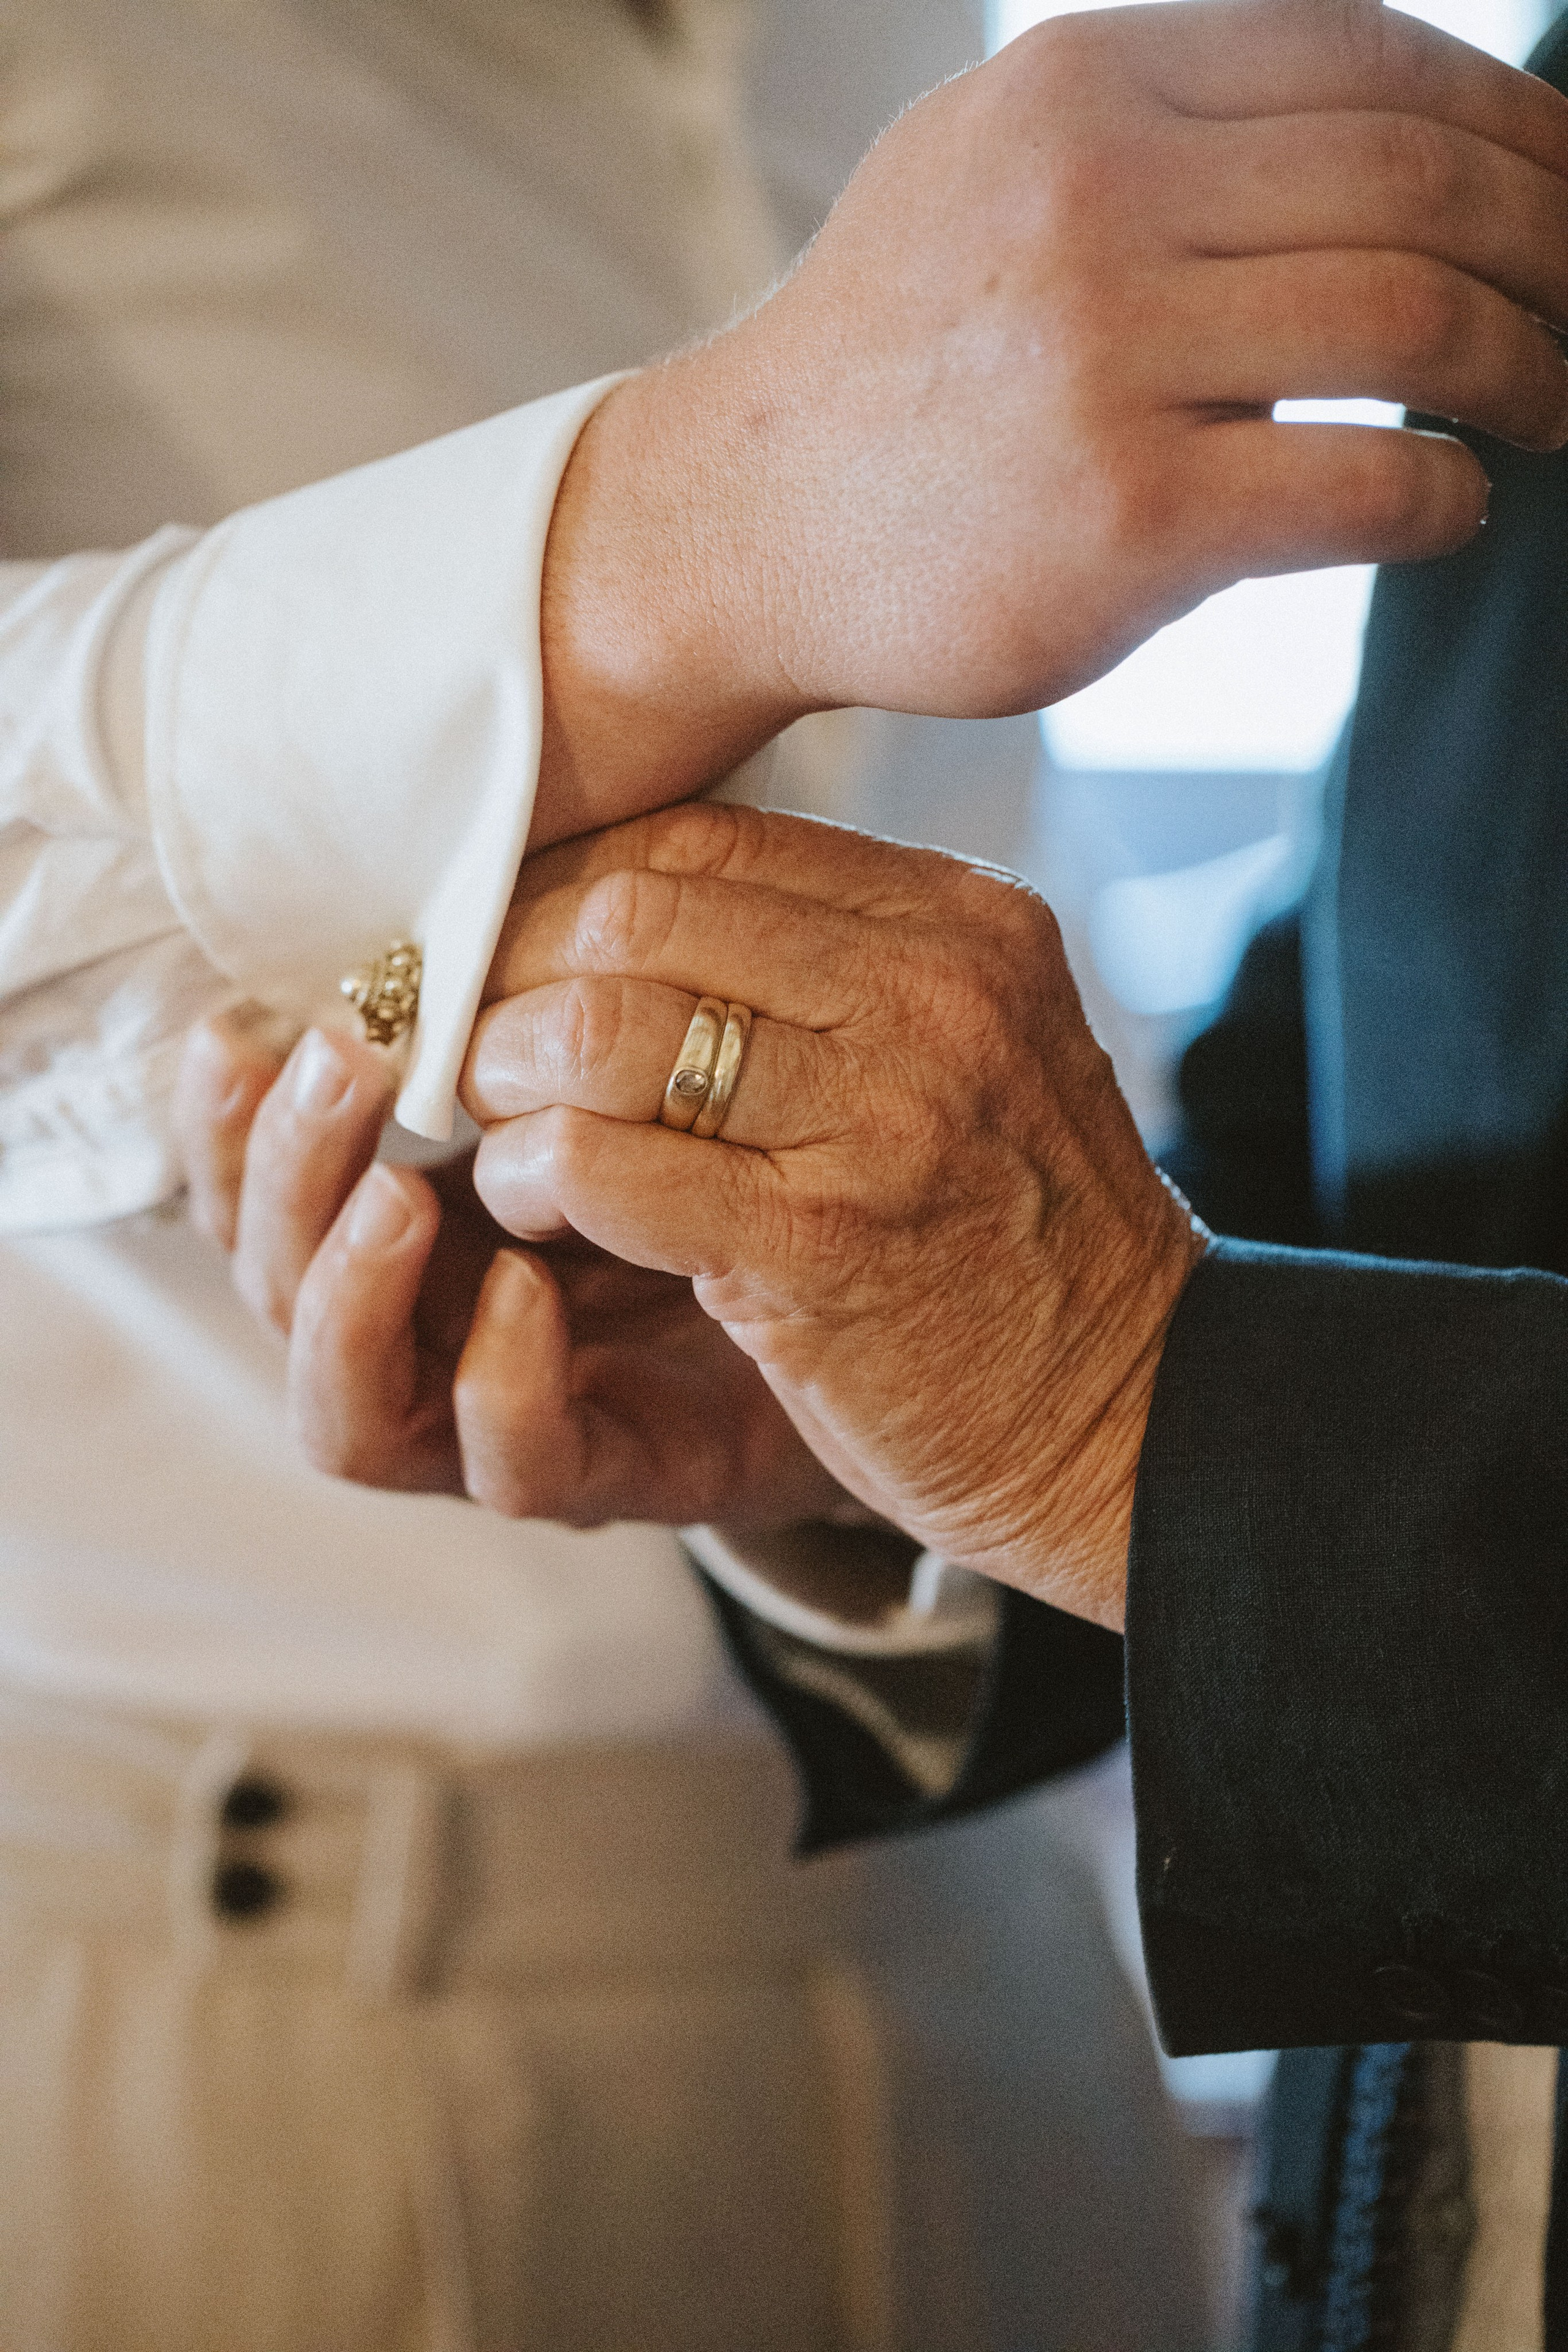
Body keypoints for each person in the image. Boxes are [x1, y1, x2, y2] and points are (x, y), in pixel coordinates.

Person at [14, 0, 1568, 2340]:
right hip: (276, 2019)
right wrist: (674, 522)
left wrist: (1131, 1403)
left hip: (1046, 1971)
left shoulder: (895, 51)